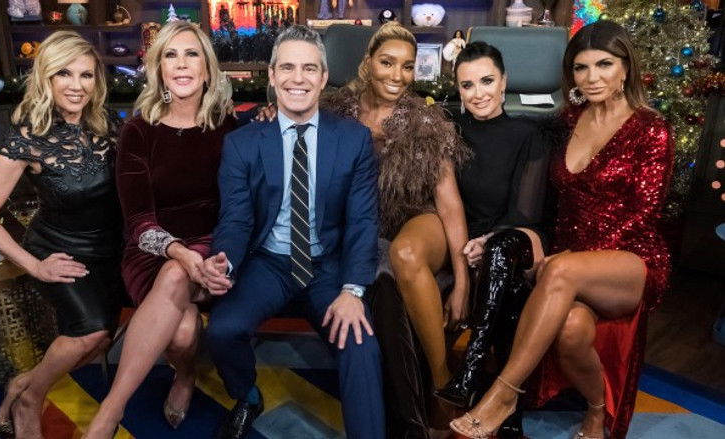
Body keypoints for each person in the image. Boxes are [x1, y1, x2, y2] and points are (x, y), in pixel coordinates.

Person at [450, 20, 673, 439]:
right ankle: (596, 410)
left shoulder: (651, 128)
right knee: (570, 332)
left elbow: (643, 216)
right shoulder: (566, 121)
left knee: (559, 270)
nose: (592, 77)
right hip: (567, 260)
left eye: (604, 64)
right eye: (581, 67)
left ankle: (502, 394)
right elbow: (542, 198)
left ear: (625, 67)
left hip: (630, 261)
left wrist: (569, 259)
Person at [256, 22, 469, 438]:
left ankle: (444, 383)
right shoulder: (334, 108)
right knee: (381, 284)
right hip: (362, 230)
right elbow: (291, 114)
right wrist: (270, 113)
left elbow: (450, 204)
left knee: (401, 253)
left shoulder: (428, 121)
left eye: (407, 66)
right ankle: (402, 417)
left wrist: (462, 281)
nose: (397, 75)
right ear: (368, 62)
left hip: (417, 221)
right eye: (387, 62)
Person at [201, 25, 384, 439]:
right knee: (223, 330)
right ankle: (247, 395)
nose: (297, 78)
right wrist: (223, 261)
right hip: (269, 263)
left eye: (309, 68)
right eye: (287, 68)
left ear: (323, 77)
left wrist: (353, 290)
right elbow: (236, 219)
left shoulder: (353, 139)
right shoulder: (242, 143)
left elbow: (362, 220)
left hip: (328, 267)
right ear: (271, 75)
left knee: (361, 346)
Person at [0, 31, 123, 439]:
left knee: (102, 340)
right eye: (64, 73)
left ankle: (23, 382)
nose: (77, 85)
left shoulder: (109, 124)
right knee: (90, 331)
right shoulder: (28, 136)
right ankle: (30, 400)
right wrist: (34, 266)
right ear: (46, 78)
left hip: (111, 248)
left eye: (86, 75)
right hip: (59, 250)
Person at [83, 20, 235, 437]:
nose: (181, 64)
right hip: (150, 250)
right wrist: (179, 252)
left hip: (212, 247)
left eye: (191, 54)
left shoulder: (228, 127)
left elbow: (242, 205)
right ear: (159, 69)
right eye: (171, 55)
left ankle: (111, 410)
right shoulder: (138, 131)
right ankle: (176, 377)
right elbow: (137, 221)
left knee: (181, 310)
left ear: (207, 68)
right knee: (181, 325)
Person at [431, 41, 552, 438]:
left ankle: (472, 366)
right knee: (509, 290)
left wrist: (487, 240)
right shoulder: (450, 133)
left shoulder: (528, 133)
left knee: (501, 253)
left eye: (487, 81)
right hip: (468, 245)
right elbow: (448, 205)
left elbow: (525, 212)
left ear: (504, 82)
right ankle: (510, 413)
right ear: (458, 89)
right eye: (467, 85)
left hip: (517, 239)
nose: (478, 93)